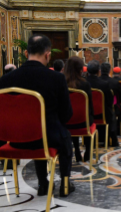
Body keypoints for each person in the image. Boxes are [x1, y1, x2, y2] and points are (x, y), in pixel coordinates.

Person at [0, 34, 74, 197]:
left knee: (41, 134)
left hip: (15, 141)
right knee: (64, 138)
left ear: (26, 53)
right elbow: (66, 114)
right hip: (49, 139)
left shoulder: (5, 80)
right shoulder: (57, 78)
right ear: (48, 54)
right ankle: (65, 184)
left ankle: (42, 183)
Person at [64, 56, 94, 163]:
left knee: (72, 115)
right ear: (80, 69)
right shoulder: (85, 84)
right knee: (87, 119)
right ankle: (87, 152)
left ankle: (76, 150)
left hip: (65, 122)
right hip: (83, 122)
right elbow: (89, 104)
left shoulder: (61, 83)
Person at [86, 60, 119, 147]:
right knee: (111, 113)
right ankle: (113, 140)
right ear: (98, 71)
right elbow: (110, 101)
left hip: (87, 114)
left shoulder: (83, 83)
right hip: (102, 114)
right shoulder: (104, 84)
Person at [100, 63, 121, 136]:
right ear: (109, 71)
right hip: (110, 109)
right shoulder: (114, 83)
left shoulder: (92, 83)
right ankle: (119, 132)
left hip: (96, 110)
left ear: (100, 70)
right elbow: (120, 98)